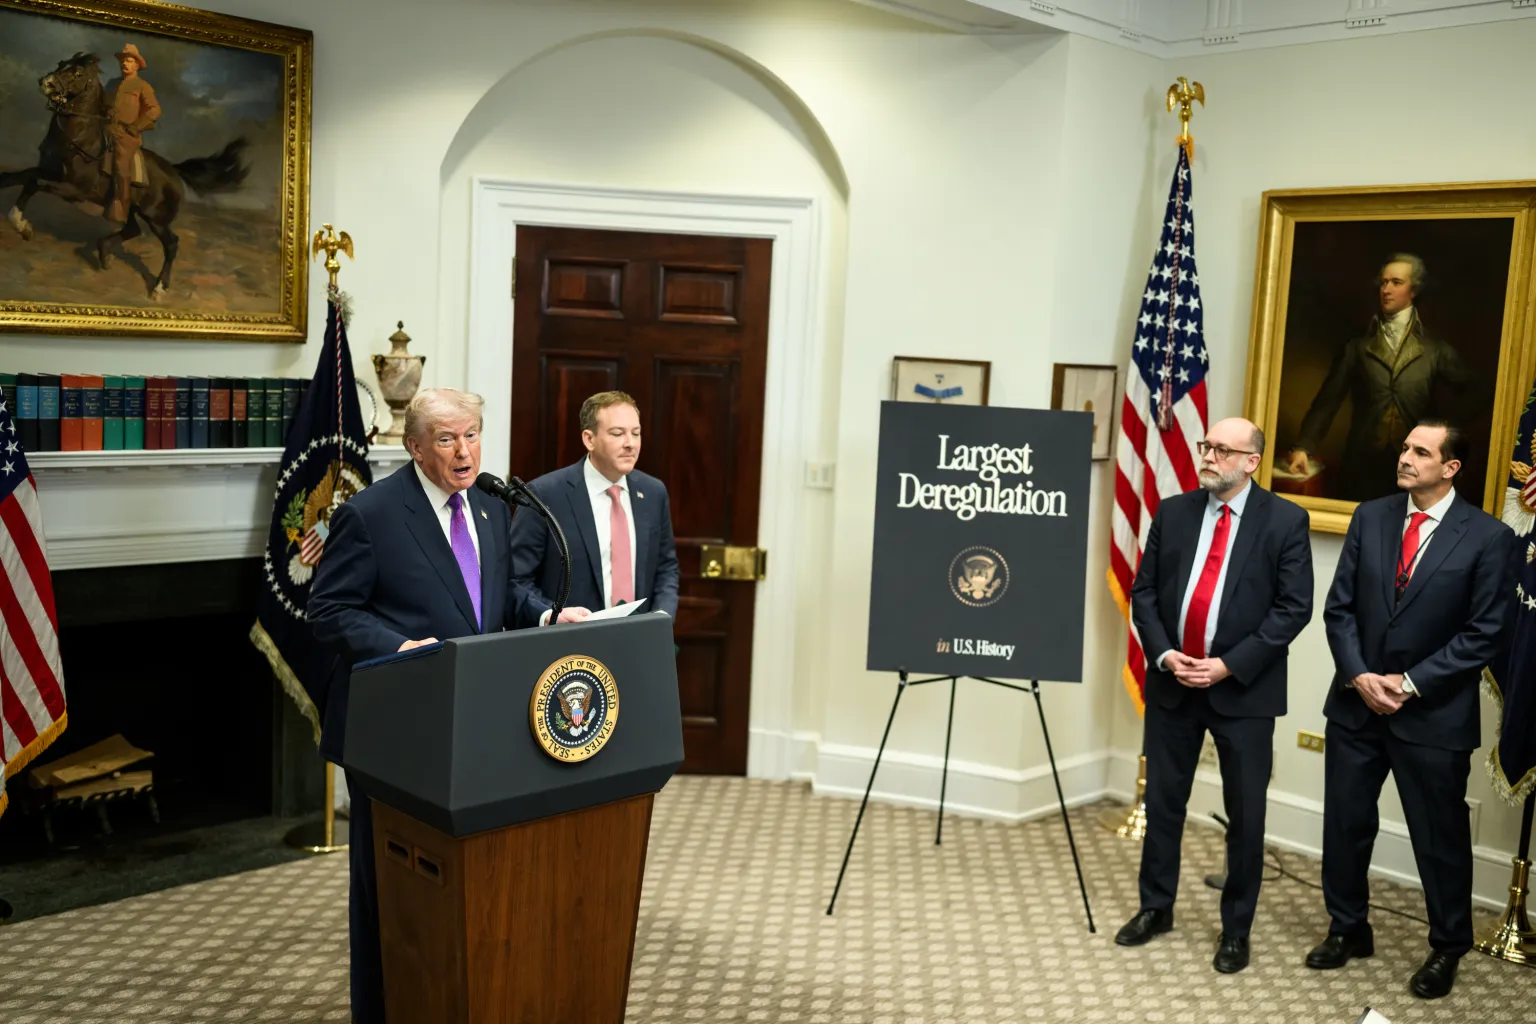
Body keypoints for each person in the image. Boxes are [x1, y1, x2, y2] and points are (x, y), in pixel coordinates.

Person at [308, 388, 590, 1024]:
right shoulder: (371, 514)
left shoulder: (489, 504)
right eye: (446, 439)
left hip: (474, 719)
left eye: (472, 435)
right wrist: (398, 646)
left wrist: (545, 614)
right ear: (415, 447)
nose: (464, 451)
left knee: (470, 878)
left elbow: (494, 596)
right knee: (391, 888)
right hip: (395, 728)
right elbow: (328, 610)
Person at [1308, 420, 1519, 999]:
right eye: (1404, 448)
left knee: (1439, 839)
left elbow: (1484, 633)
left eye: (1420, 452)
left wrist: (1409, 683)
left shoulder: (1489, 538)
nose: (1405, 457)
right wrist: (1359, 675)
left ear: (1450, 468)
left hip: (1433, 716)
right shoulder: (1371, 517)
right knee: (1346, 825)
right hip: (1356, 704)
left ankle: (1448, 947)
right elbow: (1339, 609)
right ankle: (1347, 928)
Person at [1117, 417, 1314, 973]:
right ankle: (1156, 908)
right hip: (1174, 684)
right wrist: (1164, 654)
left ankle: (1236, 930)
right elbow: (1144, 592)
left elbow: (1293, 609)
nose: (1208, 456)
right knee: (1163, 804)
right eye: (1207, 446)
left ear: (1251, 462)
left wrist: (1229, 665)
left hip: (1244, 692)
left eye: (1223, 450)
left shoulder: (1285, 521)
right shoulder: (1174, 512)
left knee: (1245, 815)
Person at [1284, 254, 1477, 502]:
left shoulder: (1434, 349)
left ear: (1414, 290)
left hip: (1418, 469)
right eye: (1384, 282)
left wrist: (1443, 430)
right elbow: (1327, 401)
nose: (1386, 290)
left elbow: (1475, 390)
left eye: (1396, 282)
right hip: (1362, 463)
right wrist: (1303, 447)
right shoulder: (1357, 346)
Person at [510, 391, 680, 618]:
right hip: (572, 635)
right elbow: (517, 579)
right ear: (589, 439)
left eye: (636, 433)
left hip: (639, 635)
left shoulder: (653, 492)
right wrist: (551, 615)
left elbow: (666, 567)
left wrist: (661, 618)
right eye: (617, 433)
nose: (630, 444)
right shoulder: (545, 495)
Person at [105, 43, 161, 224]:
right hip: (107, 128)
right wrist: (106, 110)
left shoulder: (142, 86)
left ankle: (121, 208)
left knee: (121, 165)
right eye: (123, 60)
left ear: (137, 65)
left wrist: (137, 126)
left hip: (127, 134)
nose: (124, 63)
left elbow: (154, 110)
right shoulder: (112, 84)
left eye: (129, 61)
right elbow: (103, 103)